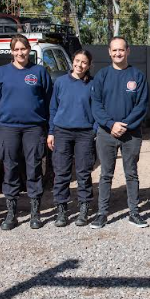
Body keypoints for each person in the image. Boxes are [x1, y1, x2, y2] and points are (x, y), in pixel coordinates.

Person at [0, 34, 53, 230]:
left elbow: (49, 100)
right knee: (10, 168)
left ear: (29, 49)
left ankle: (35, 213)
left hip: (34, 128)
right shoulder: (1, 73)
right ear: (11, 51)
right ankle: (11, 214)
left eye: (23, 49)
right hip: (9, 128)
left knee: (34, 168)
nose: (20, 52)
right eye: (16, 49)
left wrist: (48, 128)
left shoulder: (39, 72)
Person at [90, 37, 149, 229]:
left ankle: (134, 212)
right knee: (106, 174)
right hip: (106, 133)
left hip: (131, 134)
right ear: (109, 52)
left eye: (121, 50)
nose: (118, 53)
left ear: (128, 51)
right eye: (114, 50)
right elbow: (96, 104)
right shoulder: (102, 76)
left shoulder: (137, 76)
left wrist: (125, 125)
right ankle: (102, 214)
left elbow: (141, 106)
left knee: (131, 173)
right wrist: (110, 124)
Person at [48, 50, 96, 228]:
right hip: (62, 132)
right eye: (77, 61)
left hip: (85, 133)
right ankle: (62, 211)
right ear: (72, 62)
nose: (80, 65)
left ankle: (83, 210)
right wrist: (51, 131)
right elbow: (53, 108)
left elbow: (97, 108)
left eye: (84, 62)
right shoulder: (60, 82)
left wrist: (94, 130)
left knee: (83, 173)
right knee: (61, 173)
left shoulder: (93, 84)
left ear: (89, 65)